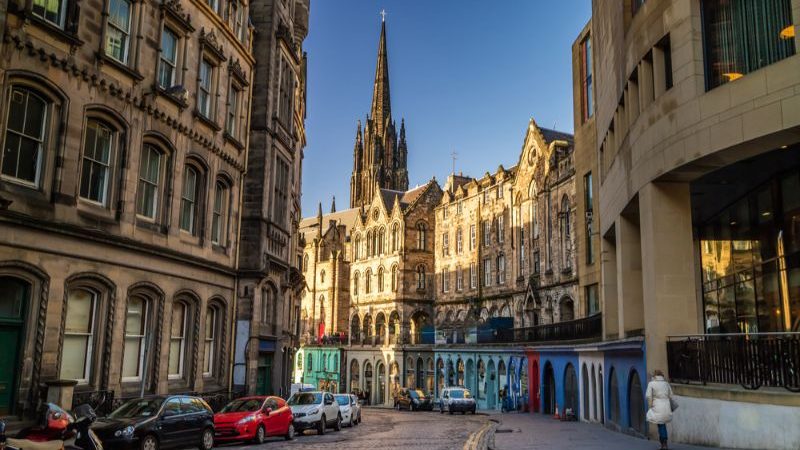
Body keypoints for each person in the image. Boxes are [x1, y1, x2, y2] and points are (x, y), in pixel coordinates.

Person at [646, 369, 675, 450]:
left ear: (654, 376)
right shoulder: (666, 384)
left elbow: (649, 396)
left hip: (657, 405)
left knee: (661, 424)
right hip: (666, 405)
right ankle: (664, 443)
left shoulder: (651, 384)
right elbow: (671, 395)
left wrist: (650, 406)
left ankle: (664, 444)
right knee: (662, 423)